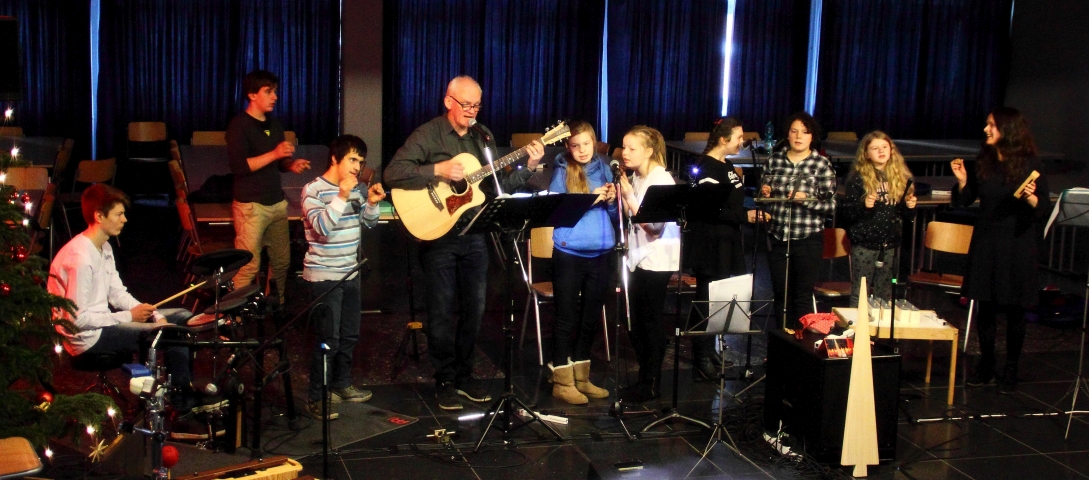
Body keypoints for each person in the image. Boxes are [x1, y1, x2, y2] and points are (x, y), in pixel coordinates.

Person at [384, 75, 545, 411]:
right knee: (441, 310)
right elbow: (393, 173)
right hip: (438, 235)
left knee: (475, 308)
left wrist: (529, 166)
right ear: (448, 101)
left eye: (477, 105)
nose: (472, 111)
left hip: (475, 233)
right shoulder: (427, 134)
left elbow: (498, 187)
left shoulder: (482, 136)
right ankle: (444, 379)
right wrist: (437, 170)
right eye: (466, 104)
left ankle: (464, 375)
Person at [48, 185, 196, 408]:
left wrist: (153, 314)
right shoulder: (80, 259)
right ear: (99, 216)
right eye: (119, 214)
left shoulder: (104, 247)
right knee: (173, 335)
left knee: (182, 316)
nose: (124, 219)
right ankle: (182, 404)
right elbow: (77, 320)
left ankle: (180, 391)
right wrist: (129, 317)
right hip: (87, 337)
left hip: (101, 323)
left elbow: (118, 294)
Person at [952, 107, 1049, 393]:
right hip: (987, 242)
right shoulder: (985, 160)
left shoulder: (1030, 163)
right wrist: (962, 181)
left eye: (991, 125)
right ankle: (986, 364)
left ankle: (1011, 368)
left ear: (1008, 129)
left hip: (1018, 243)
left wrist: (1031, 198)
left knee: (1015, 309)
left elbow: (1043, 206)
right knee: (986, 306)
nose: (986, 129)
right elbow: (965, 200)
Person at [300, 135, 385, 420]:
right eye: (352, 159)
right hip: (324, 275)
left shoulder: (356, 189)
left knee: (349, 335)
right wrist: (341, 196)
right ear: (335, 159)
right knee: (328, 340)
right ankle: (317, 396)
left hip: (350, 272)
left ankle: (341, 384)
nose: (357, 167)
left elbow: (368, 224)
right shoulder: (313, 190)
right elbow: (322, 228)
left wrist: (371, 203)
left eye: (360, 161)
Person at [683, 117, 766, 380]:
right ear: (723, 139)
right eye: (738, 137)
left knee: (718, 299)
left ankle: (710, 350)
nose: (742, 142)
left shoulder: (727, 165)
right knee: (706, 299)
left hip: (727, 240)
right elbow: (712, 209)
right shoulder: (706, 167)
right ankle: (700, 356)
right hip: (710, 242)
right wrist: (746, 216)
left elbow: (733, 200)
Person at [227, 70, 311, 305]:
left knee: (282, 262)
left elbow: (278, 163)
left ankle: (276, 304)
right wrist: (275, 153)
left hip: (276, 202)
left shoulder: (274, 124)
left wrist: (290, 164)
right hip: (251, 206)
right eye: (268, 92)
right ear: (252, 94)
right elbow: (240, 166)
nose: (275, 96)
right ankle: (234, 314)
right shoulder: (239, 125)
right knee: (248, 265)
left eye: (275, 91)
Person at [546, 120, 615, 405]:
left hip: (601, 252)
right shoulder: (562, 171)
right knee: (566, 318)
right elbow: (555, 212)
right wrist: (589, 199)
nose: (582, 150)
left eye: (586, 144)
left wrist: (612, 200)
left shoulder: (606, 169)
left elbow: (614, 214)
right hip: (570, 254)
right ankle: (562, 381)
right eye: (576, 145)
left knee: (590, 318)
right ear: (568, 147)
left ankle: (582, 378)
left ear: (594, 143)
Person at [617, 125, 680, 403]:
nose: (625, 153)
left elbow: (654, 228)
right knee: (633, 318)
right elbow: (631, 216)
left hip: (656, 260)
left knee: (648, 320)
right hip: (638, 257)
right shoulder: (638, 176)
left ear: (649, 151)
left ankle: (650, 382)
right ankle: (646, 375)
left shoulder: (661, 180)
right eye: (624, 147)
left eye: (632, 148)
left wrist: (629, 196)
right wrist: (622, 195)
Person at [759, 112, 836, 330]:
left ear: (812, 137)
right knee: (780, 294)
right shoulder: (775, 160)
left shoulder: (821, 164)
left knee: (802, 295)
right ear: (788, 135)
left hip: (808, 238)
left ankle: (801, 342)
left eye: (804, 132)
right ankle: (782, 339)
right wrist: (765, 193)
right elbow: (764, 196)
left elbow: (830, 206)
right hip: (778, 236)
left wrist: (806, 200)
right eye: (794, 131)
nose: (799, 136)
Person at [841, 131, 917, 306]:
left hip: (890, 245)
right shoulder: (858, 178)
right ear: (866, 154)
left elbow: (906, 216)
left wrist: (910, 207)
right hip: (865, 244)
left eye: (884, 147)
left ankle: (880, 324)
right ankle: (858, 323)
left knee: (885, 294)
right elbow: (848, 214)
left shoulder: (901, 177)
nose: (881, 151)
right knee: (861, 292)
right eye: (875, 148)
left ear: (891, 150)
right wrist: (864, 206)